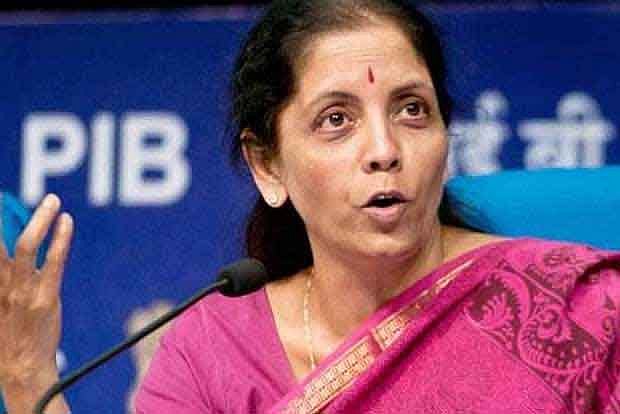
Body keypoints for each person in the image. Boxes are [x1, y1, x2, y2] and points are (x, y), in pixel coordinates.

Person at [1, 0, 620, 412]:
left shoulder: (581, 306)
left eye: (412, 110)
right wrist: (30, 379)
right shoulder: (213, 351)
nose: (385, 150)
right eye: (336, 120)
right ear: (268, 167)